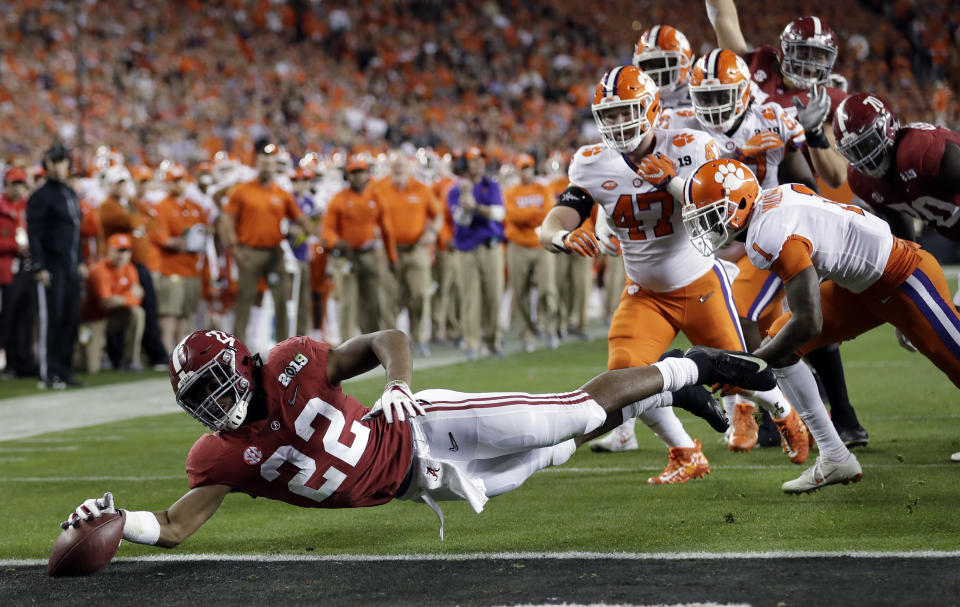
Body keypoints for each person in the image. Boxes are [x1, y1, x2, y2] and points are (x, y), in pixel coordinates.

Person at [61, 327, 776, 546]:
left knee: (568, 411)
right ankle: (670, 391)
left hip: (427, 422)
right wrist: (121, 523)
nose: (215, 407)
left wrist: (399, 383)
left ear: (242, 364)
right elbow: (179, 525)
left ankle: (695, 363)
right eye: (202, 400)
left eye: (219, 386)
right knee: (564, 444)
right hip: (433, 482)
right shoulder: (218, 455)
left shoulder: (290, 366)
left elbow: (386, 338)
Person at [682, 158, 960, 485]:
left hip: (903, 275)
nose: (707, 227)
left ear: (740, 204)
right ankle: (834, 456)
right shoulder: (774, 198)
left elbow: (808, 322)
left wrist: (752, 364)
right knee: (780, 343)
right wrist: (759, 361)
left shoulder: (768, 234)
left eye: (712, 215)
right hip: (858, 286)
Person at [663, 48, 815, 459]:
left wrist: (768, 158)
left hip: (761, 240)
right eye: (705, 97)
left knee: (743, 323)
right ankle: (808, 421)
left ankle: (750, 407)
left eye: (720, 96)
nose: (711, 107)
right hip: (709, 247)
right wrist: (736, 158)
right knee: (772, 341)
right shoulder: (678, 128)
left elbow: (806, 184)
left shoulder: (772, 118)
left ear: (745, 92)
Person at [705, 1, 849, 189]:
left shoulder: (825, 102)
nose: (810, 65)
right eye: (804, 52)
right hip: (725, 166)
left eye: (818, 56)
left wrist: (814, 131)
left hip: (779, 190)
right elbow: (724, 19)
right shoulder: (756, 64)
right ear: (785, 51)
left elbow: (836, 177)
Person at [221, 144, 315, 344]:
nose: (266, 168)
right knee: (245, 299)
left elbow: (300, 218)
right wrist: (234, 249)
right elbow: (227, 221)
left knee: (281, 300)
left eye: (270, 165)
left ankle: (284, 347)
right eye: (263, 164)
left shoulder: (282, 193)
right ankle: (237, 346)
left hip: (274, 252)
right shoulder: (242, 191)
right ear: (256, 165)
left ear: (275, 168)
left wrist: (315, 232)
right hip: (249, 251)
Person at [97, 165, 168, 368]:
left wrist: (140, 220)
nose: (121, 188)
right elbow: (131, 220)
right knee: (127, 310)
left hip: (136, 264)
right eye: (117, 183)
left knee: (148, 307)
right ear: (110, 185)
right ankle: (121, 356)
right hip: (118, 266)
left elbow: (149, 221)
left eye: (123, 183)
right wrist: (139, 220)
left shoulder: (130, 203)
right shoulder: (108, 206)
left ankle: (152, 352)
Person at [27, 143, 86, 389]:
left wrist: (81, 260)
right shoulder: (40, 196)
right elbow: (35, 234)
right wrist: (39, 265)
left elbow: (76, 232)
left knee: (70, 319)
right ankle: (48, 372)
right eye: (55, 161)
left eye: (63, 161)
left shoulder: (69, 193)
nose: (60, 166)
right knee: (52, 319)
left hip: (71, 267)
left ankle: (63, 369)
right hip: (52, 267)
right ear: (47, 165)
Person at [321, 156, 398, 340]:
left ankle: (374, 342)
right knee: (348, 302)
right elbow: (327, 230)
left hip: (369, 255)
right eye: (353, 173)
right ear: (348, 175)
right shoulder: (338, 199)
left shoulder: (376, 197)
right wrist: (336, 242)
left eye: (360, 172)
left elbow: (387, 230)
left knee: (375, 300)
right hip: (347, 257)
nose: (357, 176)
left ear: (367, 174)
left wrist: (392, 258)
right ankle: (347, 344)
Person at [374, 152, 443, 356]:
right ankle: (390, 344)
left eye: (401, 166)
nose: (398, 170)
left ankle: (419, 338)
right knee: (388, 299)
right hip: (388, 251)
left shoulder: (421, 189)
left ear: (409, 168)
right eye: (394, 166)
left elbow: (437, 214)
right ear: (389, 168)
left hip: (416, 249)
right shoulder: (378, 189)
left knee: (420, 294)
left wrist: (432, 232)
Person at [447, 147, 506, 360]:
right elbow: (461, 220)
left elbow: (499, 214)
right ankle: (472, 343)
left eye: (480, 159)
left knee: (493, 296)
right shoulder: (455, 191)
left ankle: (493, 342)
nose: (478, 163)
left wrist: (476, 207)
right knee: (469, 298)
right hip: (465, 250)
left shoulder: (491, 186)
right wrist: (465, 201)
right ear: (464, 165)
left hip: (490, 247)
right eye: (473, 160)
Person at [503, 153, 558, 352]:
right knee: (520, 292)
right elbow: (512, 216)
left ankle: (549, 328)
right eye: (522, 167)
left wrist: (527, 216)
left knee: (547, 290)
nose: (525, 171)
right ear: (517, 170)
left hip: (541, 245)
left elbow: (548, 214)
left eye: (528, 167)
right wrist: (533, 214)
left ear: (533, 168)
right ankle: (527, 334)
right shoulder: (511, 192)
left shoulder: (543, 188)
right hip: (518, 246)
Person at [153, 165, 209, 353]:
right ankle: (166, 351)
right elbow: (161, 238)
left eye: (181, 180)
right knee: (170, 313)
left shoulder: (194, 207)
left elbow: (204, 232)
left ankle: (182, 353)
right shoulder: (161, 207)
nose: (179, 184)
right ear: (168, 183)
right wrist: (180, 243)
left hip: (192, 267)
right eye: (174, 180)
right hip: (171, 267)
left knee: (186, 313)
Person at [81, 234, 145, 373]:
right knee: (90, 368)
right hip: (94, 320)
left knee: (137, 312)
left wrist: (121, 299)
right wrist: (129, 296)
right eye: (118, 251)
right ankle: (88, 355)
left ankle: (130, 360)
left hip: (115, 317)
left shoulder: (130, 268)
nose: (122, 255)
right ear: (108, 251)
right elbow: (106, 302)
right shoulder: (99, 270)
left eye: (126, 251)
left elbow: (138, 298)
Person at [0, 167, 32, 376]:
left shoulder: (25, 207)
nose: (19, 188)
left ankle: (22, 362)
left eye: (21, 183)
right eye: (15, 183)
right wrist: (14, 245)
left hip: (24, 268)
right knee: (6, 317)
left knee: (25, 316)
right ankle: (6, 362)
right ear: (7, 185)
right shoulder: (2, 208)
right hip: (5, 270)